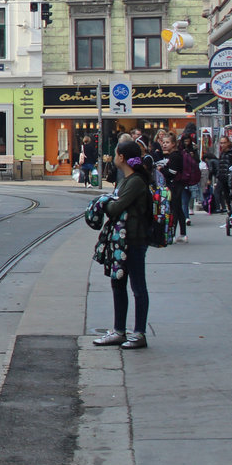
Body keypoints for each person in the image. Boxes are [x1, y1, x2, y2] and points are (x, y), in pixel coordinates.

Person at [93, 138, 152, 350]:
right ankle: (119, 330)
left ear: (122, 157)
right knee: (118, 283)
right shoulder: (127, 180)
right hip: (123, 240)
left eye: (116, 152)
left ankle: (139, 333)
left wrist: (104, 202)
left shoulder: (135, 181)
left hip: (134, 240)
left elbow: (116, 209)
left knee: (137, 286)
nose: (114, 156)